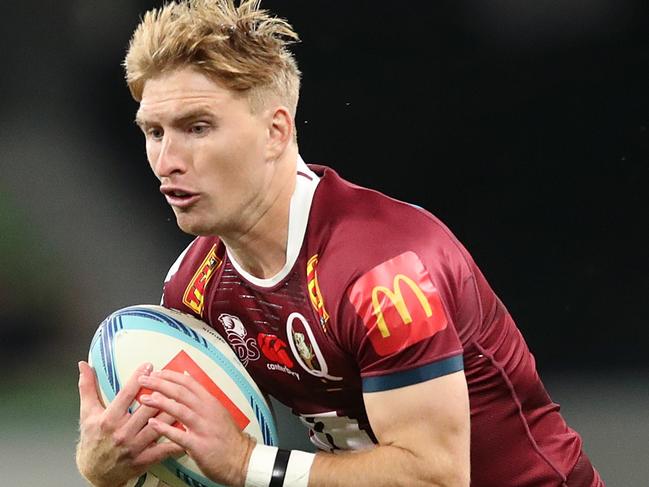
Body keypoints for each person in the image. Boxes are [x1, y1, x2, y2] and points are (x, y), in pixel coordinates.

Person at [76, 1, 606, 486]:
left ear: (276, 132)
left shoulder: (384, 270)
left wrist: (244, 462)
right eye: (154, 132)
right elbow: (197, 467)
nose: (167, 160)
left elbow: (437, 476)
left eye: (197, 127)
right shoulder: (195, 289)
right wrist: (106, 467)